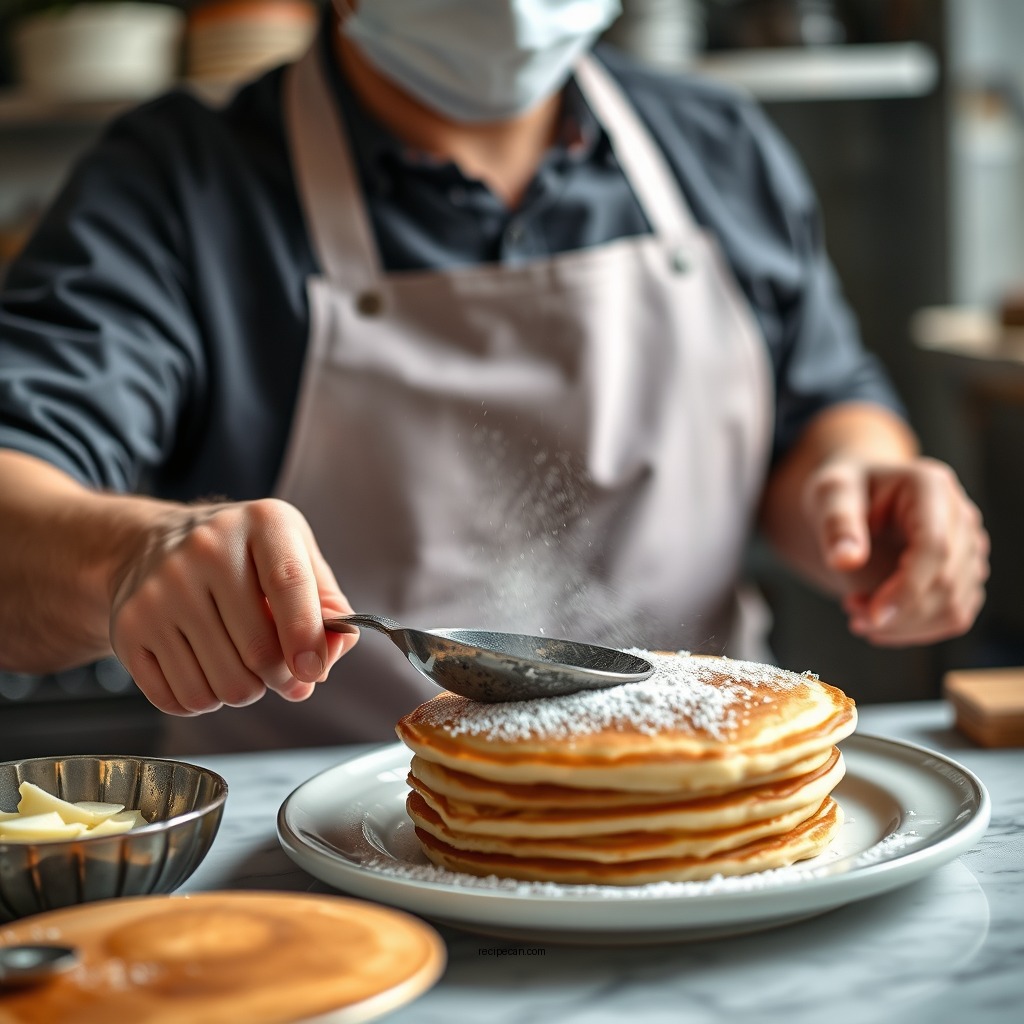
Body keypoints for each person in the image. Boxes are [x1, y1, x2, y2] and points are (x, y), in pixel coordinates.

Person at [0, 0, 989, 754]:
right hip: (332, 862)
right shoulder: (179, 184)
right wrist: (133, 557)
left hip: (712, 802)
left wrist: (854, 488)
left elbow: (825, 409)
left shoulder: (716, 147)